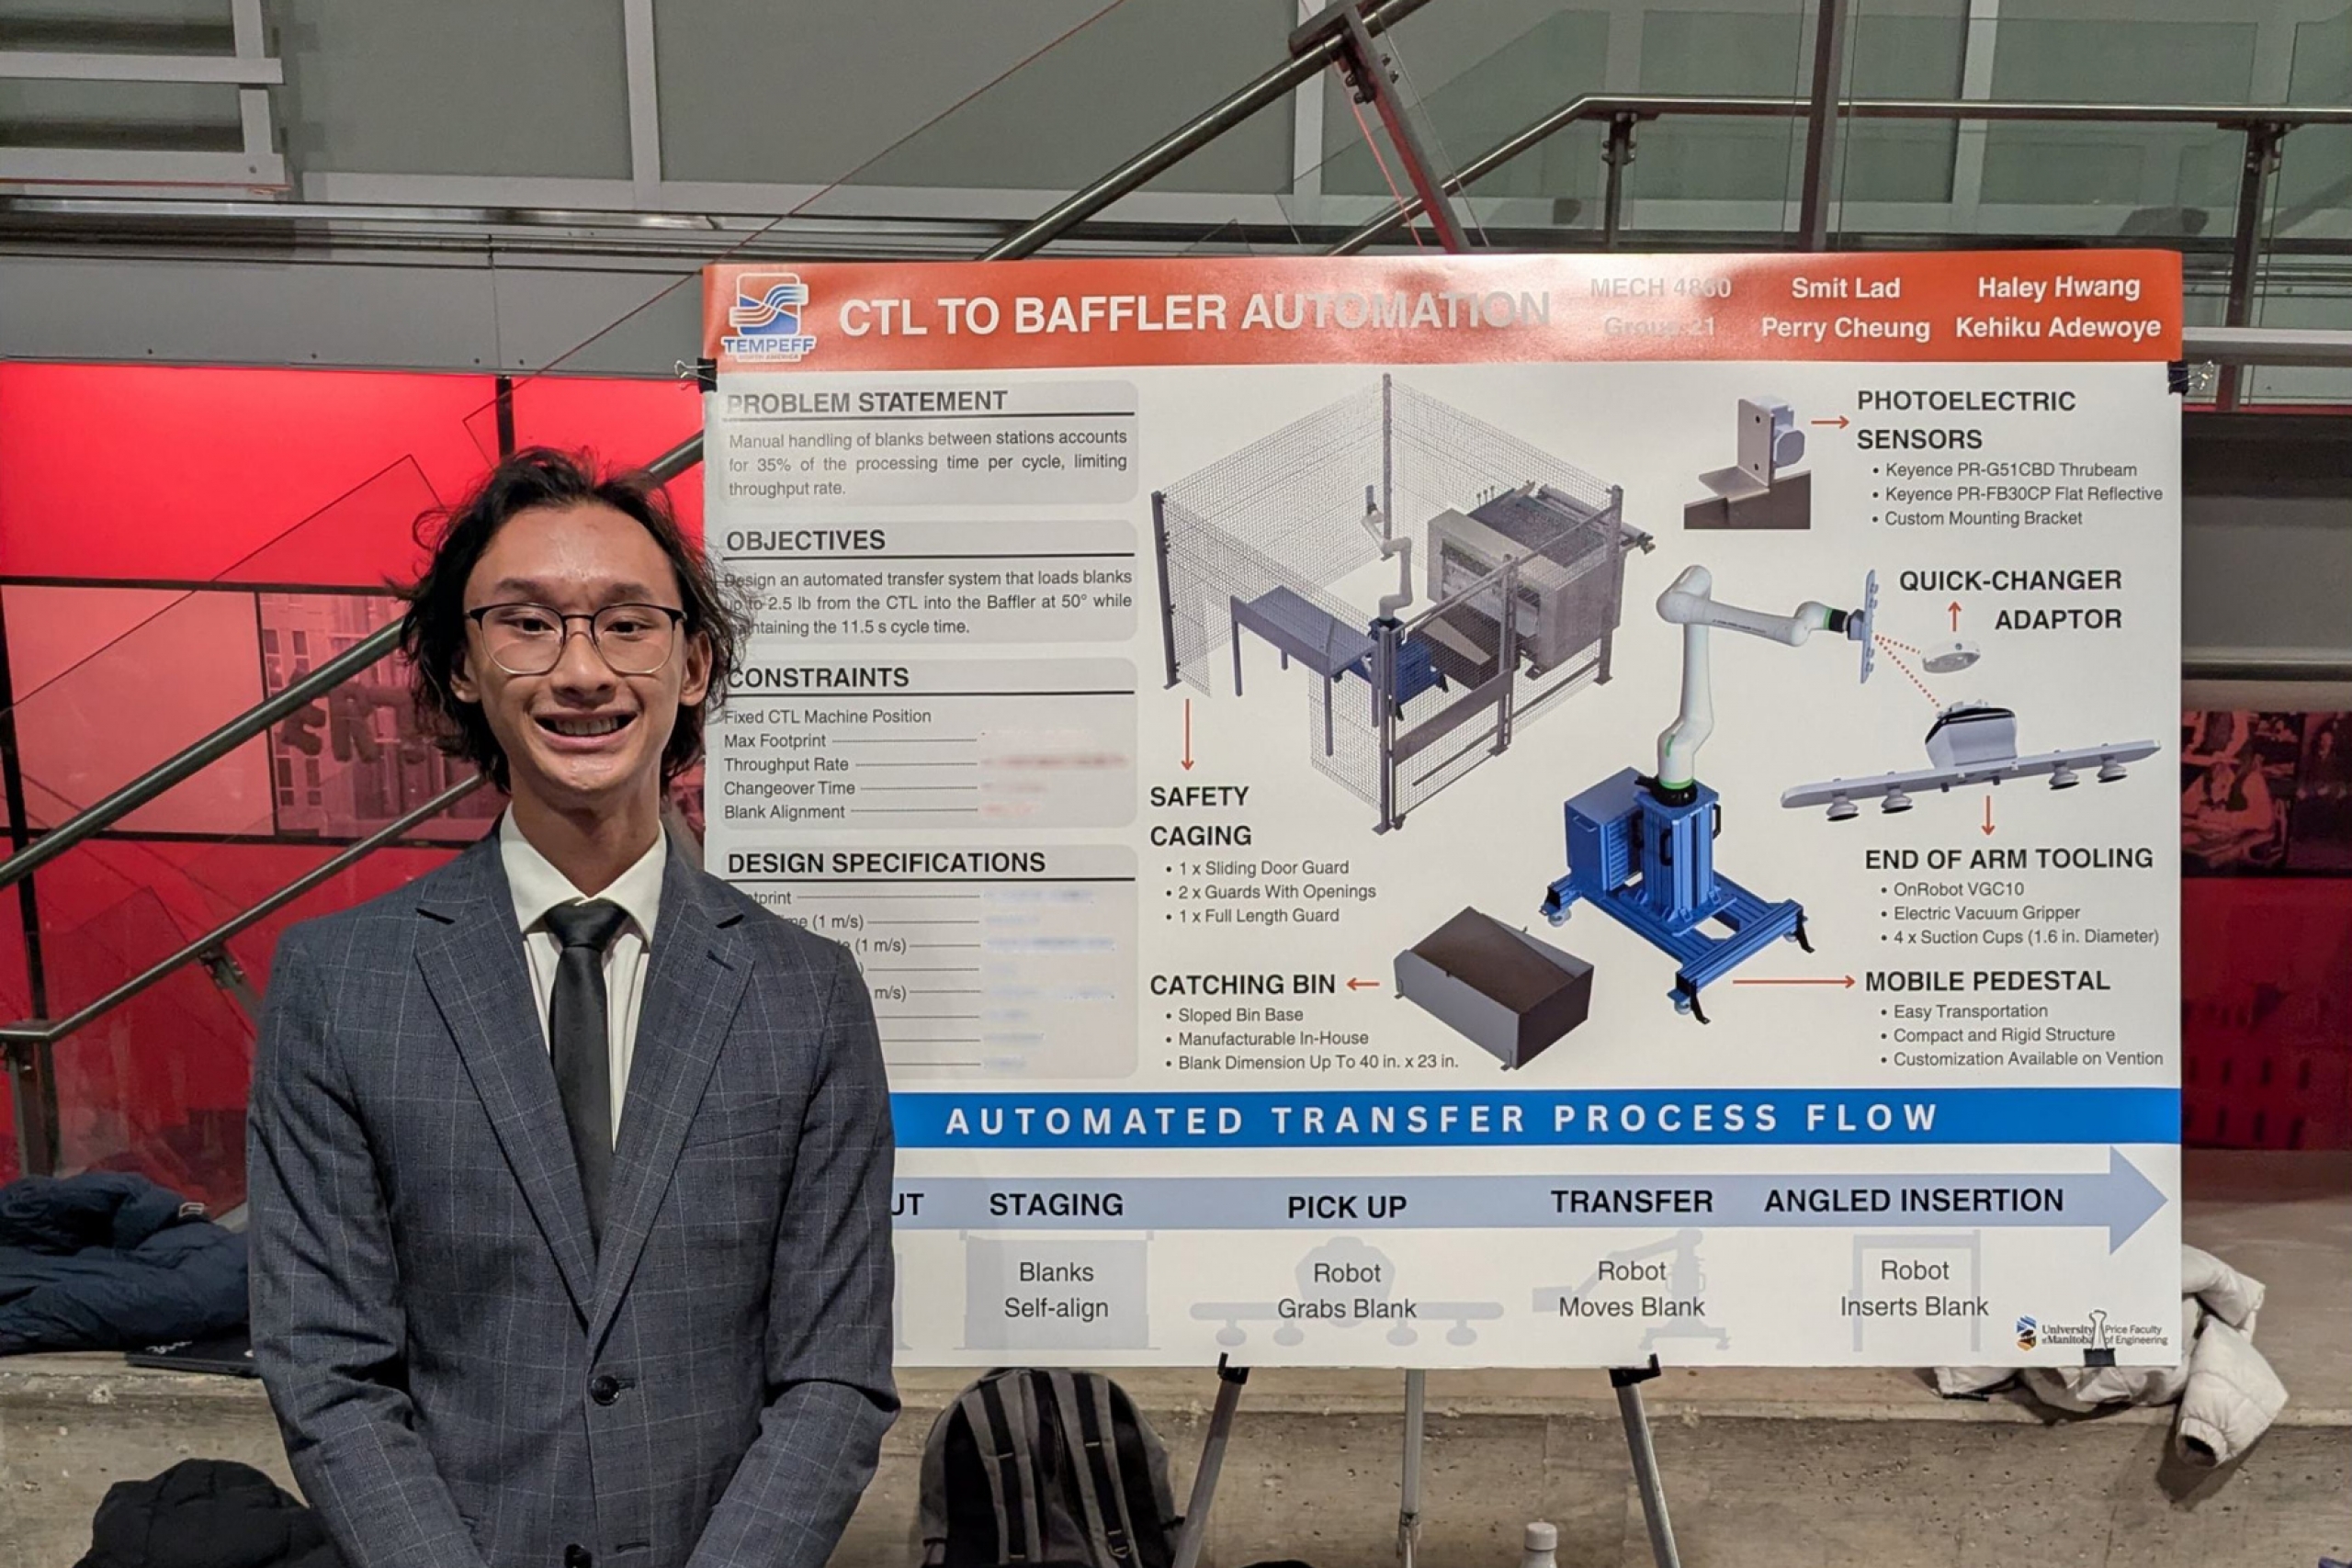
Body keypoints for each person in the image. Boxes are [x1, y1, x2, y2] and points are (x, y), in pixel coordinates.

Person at [247, 448, 895, 1568]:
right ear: (462, 665)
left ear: (694, 664)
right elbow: (329, 1371)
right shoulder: (340, 985)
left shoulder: (806, 994)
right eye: (528, 624)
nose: (581, 670)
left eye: (626, 624)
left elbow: (832, 1375)